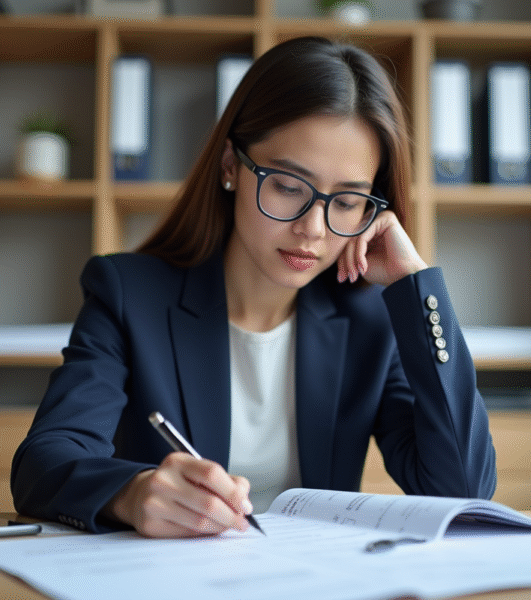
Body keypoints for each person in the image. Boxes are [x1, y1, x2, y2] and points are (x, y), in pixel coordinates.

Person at [11, 36, 496, 538]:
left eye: (348, 201)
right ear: (230, 167)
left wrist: (416, 289)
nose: (313, 228)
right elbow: (44, 464)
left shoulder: (369, 319)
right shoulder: (128, 294)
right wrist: (130, 493)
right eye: (288, 186)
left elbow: (461, 489)